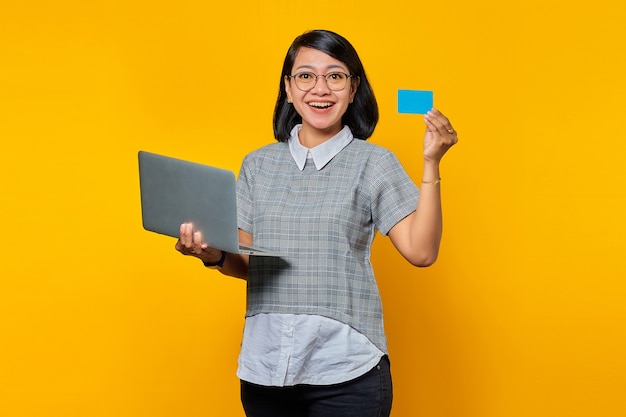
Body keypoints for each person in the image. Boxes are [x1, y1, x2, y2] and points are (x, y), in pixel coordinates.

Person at [175, 29, 458, 417]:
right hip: (265, 369)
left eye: (335, 75)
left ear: (353, 87)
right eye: (306, 76)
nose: (320, 88)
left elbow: (422, 252)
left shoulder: (374, 163)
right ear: (288, 89)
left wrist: (431, 163)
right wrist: (210, 254)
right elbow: (246, 264)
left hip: (347, 369)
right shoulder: (257, 165)